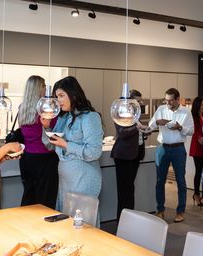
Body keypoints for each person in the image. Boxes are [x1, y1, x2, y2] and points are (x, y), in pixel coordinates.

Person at [42, 76, 103, 212]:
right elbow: (50, 145)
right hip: (65, 180)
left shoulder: (90, 117)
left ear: (73, 94)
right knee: (66, 220)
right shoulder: (63, 117)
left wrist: (66, 145)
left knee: (81, 221)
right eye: (56, 96)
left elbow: (94, 152)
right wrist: (46, 128)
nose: (58, 100)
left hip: (83, 178)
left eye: (61, 95)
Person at [149, 88, 193, 222]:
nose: (168, 103)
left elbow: (191, 131)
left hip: (178, 149)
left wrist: (180, 127)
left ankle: (180, 211)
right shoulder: (161, 109)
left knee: (180, 181)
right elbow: (150, 126)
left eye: (171, 100)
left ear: (178, 99)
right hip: (162, 148)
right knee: (160, 180)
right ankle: (160, 210)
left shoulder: (186, 111)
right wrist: (157, 122)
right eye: (166, 100)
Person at [18, 75, 59, 209]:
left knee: (29, 194)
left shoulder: (22, 108)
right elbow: (54, 129)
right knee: (46, 198)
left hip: (27, 157)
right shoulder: (45, 109)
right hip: (45, 157)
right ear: (38, 88)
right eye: (43, 85)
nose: (45, 88)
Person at [111, 89, 149, 220]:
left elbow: (136, 135)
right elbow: (122, 133)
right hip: (123, 156)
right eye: (137, 102)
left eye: (140, 101)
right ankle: (122, 220)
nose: (140, 104)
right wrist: (137, 128)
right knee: (124, 191)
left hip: (135, 154)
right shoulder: (120, 114)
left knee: (130, 189)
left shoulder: (136, 116)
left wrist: (145, 131)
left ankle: (128, 220)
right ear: (130, 103)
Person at [189, 97, 203, 208]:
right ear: (197, 105)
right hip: (198, 147)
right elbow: (194, 131)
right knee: (199, 172)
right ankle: (196, 194)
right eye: (202, 105)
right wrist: (200, 139)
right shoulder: (193, 117)